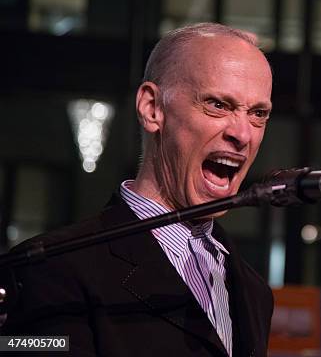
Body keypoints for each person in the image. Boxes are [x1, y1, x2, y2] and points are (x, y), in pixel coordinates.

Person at [2, 23, 274, 356]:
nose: (243, 134)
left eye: (258, 113)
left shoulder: (253, 289)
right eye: (218, 105)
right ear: (152, 108)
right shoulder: (50, 269)